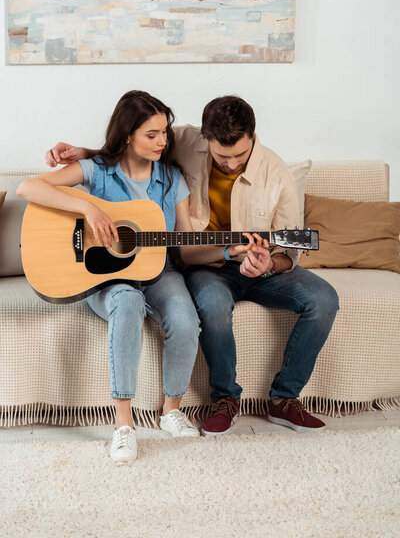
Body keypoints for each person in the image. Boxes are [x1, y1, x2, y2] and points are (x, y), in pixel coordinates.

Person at [45, 95, 340, 437]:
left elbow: (289, 254)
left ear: (253, 138)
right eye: (222, 156)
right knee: (211, 305)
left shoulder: (277, 175)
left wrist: (268, 262)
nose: (231, 164)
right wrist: (85, 155)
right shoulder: (180, 140)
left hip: (260, 264)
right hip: (206, 262)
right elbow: (133, 143)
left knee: (324, 299)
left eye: (240, 156)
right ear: (205, 139)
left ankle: (284, 399)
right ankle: (225, 399)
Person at [18, 90, 208, 464]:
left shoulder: (172, 179)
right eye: (151, 134)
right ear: (127, 135)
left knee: (186, 319)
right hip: (104, 278)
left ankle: (171, 410)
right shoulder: (97, 169)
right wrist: (87, 207)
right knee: (127, 301)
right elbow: (30, 187)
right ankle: (124, 425)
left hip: (159, 270)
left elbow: (186, 246)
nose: (161, 142)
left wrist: (229, 249)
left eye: (164, 134)